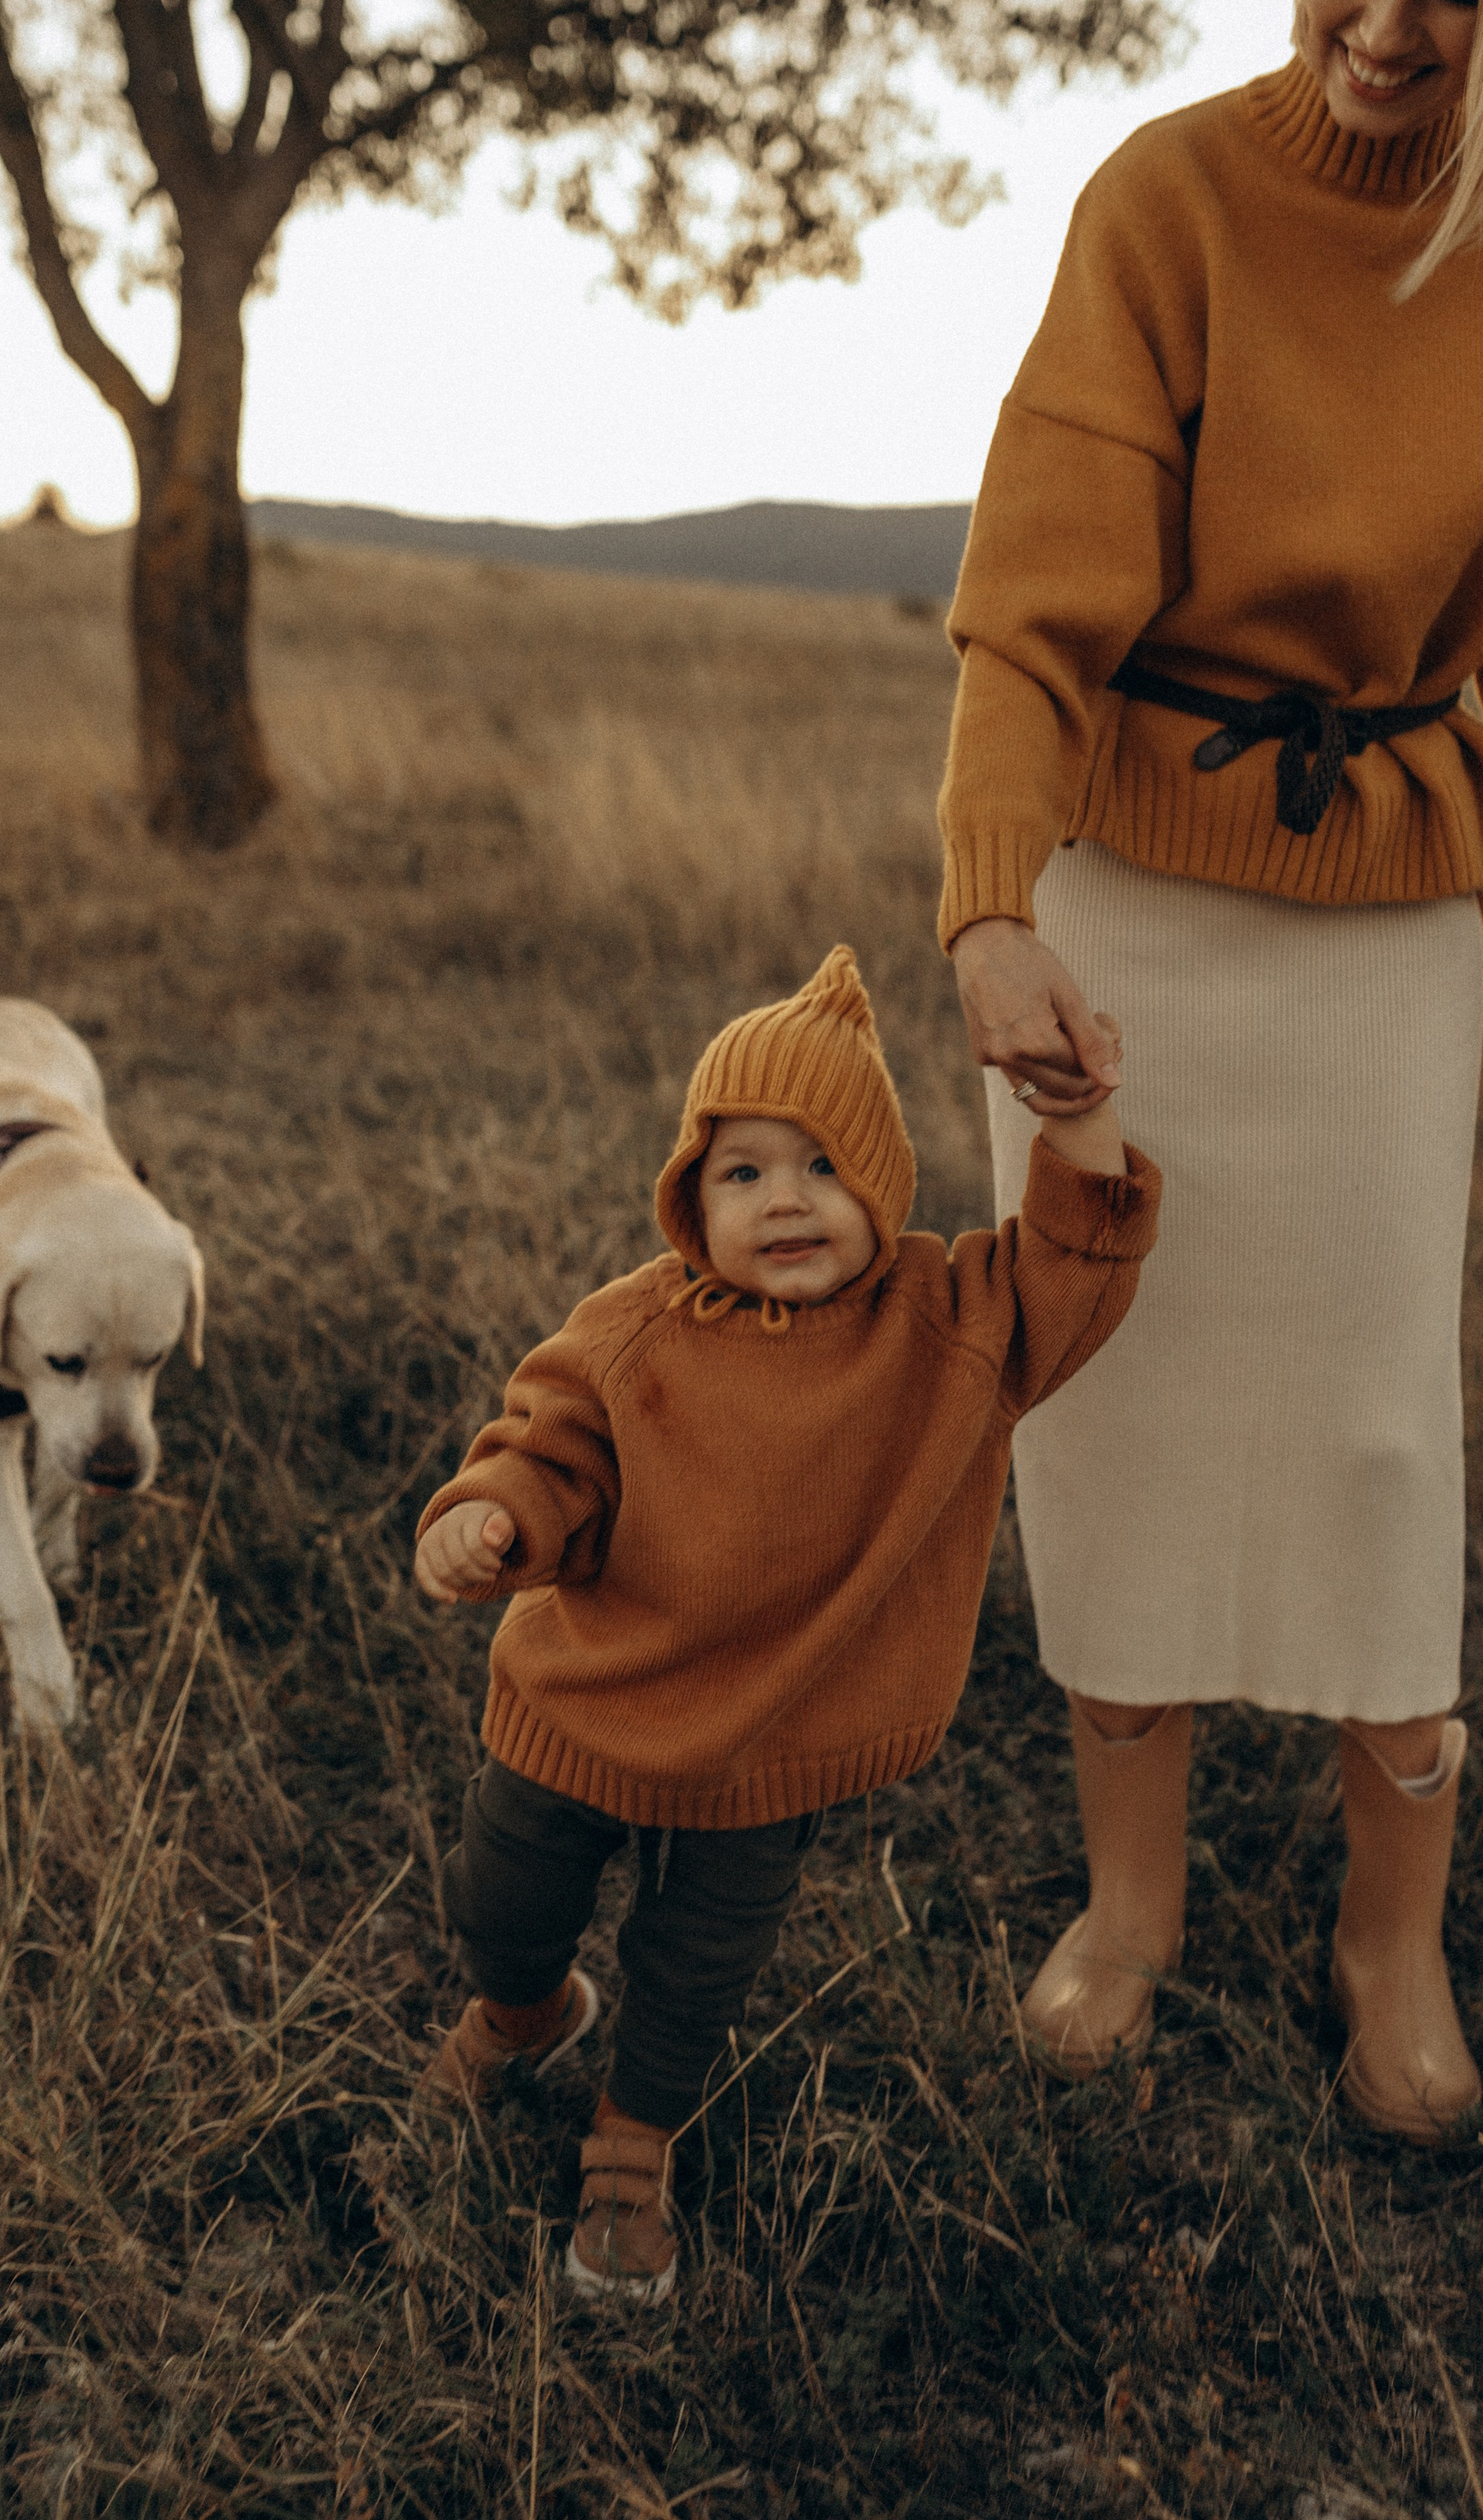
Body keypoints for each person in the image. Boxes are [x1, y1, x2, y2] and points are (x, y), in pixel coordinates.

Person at [937, 0, 1483, 2139]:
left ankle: (1392, 1948)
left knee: (1378, 1437)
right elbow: (1030, 615)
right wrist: (984, 911)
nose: (1385, 26)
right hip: (1126, 915)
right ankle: (1135, 1910)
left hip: (1391, 918)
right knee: (1120, 1417)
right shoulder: (1162, 200)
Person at [412, 947, 1159, 2305]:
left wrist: (1074, 1116)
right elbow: (549, 1445)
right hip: (589, 1699)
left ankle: (635, 2140)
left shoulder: (946, 1325)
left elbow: (1078, 1263)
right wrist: (498, 1518)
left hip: (774, 1736)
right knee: (501, 1897)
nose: (786, 1201)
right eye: (743, 1172)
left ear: (882, 1185)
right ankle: (526, 2009)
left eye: (822, 1166)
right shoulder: (639, 1331)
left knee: (698, 1962)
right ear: (690, 1201)